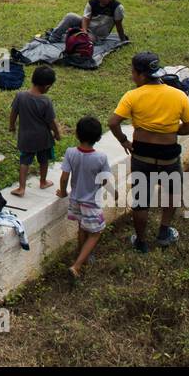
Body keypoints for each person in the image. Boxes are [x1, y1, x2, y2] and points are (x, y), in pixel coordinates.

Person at [108, 51, 189, 252]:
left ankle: (140, 242)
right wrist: (172, 130)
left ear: (140, 75)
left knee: (141, 202)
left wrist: (124, 141)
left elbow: (113, 122)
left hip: (141, 155)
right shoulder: (178, 95)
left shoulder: (132, 96)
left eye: (132, 72)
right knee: (172, 193)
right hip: (169, 156)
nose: (131, 76)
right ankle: (164, 233)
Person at [57, 116, 111, 280]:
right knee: (96, 232)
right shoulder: (101, 158)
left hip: (75, 200)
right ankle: (77, 265)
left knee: (82, 227)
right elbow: (105, 180)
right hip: (91, 202)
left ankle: (82, 255)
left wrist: (63, 192)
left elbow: (64, 177)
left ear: (77, 134)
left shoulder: (70, 152)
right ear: (99, 138)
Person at [9, 65, 60, 197]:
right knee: (43, 160)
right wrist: (57, 133)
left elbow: (13, 112)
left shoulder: (20, 96)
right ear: (47, 86)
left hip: (26, 137)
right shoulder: (45, 101)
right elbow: (51, 121)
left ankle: (21, 188)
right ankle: (43, 182)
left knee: (24, 161)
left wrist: (12, 126)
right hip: (43, 138)